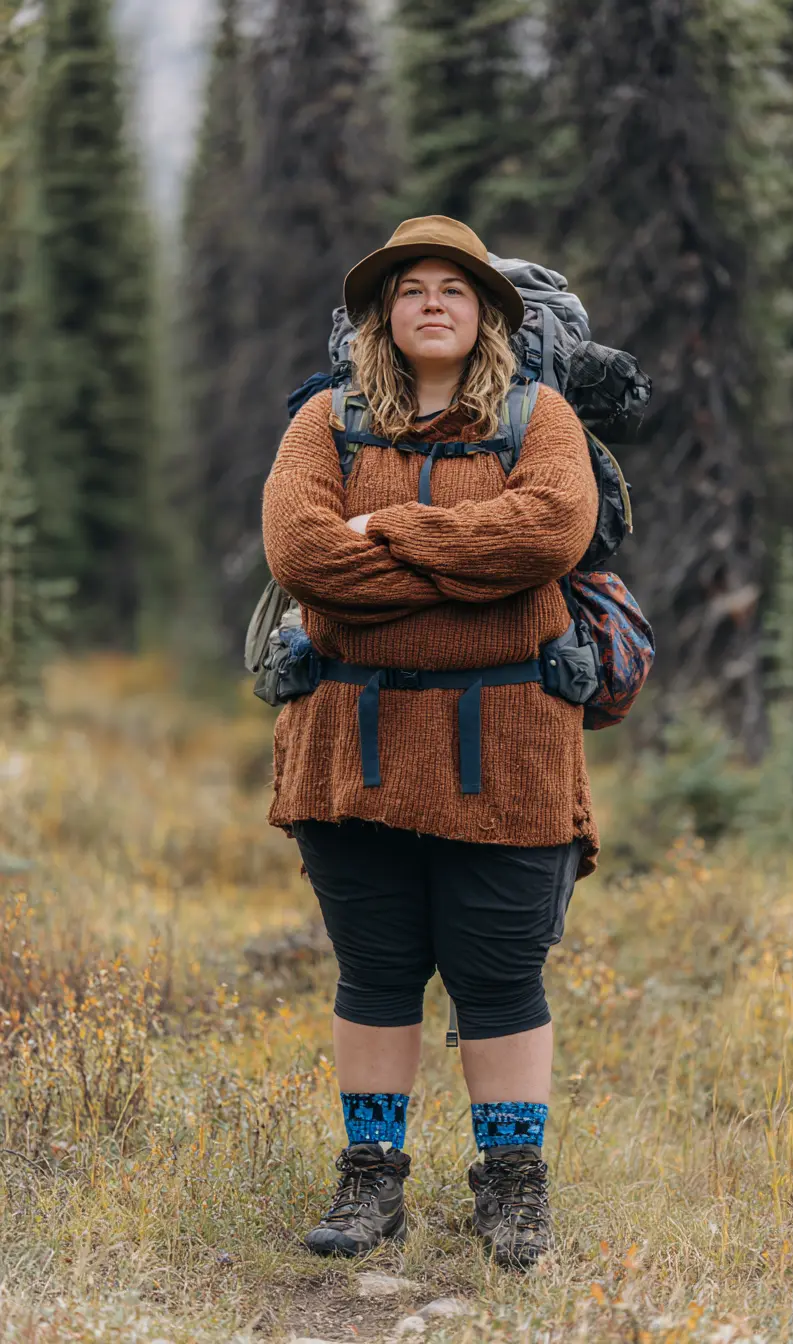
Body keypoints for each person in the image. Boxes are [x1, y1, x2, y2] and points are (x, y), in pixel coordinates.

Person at [262, 215, 600, 1268]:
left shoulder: (541, 421)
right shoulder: (321, 423)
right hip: (349, 751)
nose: (432, 301)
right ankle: (371, 1180)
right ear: (381, 314)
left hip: (508, 749)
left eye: (454, 287)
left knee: (498, 978)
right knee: (374, 970)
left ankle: (511, 1190)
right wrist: (468, 572)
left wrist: (389, 536)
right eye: (408, 287)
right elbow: (302, 554)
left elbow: (549, 531)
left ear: (489, 312)